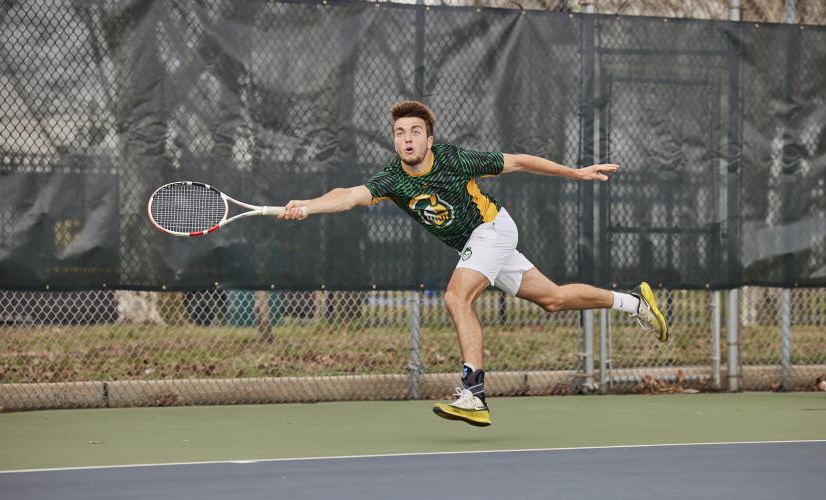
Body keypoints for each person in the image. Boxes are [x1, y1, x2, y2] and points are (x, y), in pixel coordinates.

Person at [279, 100, 668, 427]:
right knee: (553, 299)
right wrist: (307, 206)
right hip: (478, 245)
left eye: (415, 131)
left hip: (492, 230)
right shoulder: (393, 179)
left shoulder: (453, 160)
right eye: (400, 132)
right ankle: (635, 302)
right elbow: (348, 195)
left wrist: (575, 172)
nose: (407, 138)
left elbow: (517, 161)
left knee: (455, 297)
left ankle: (474, 393)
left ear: (429, 140)